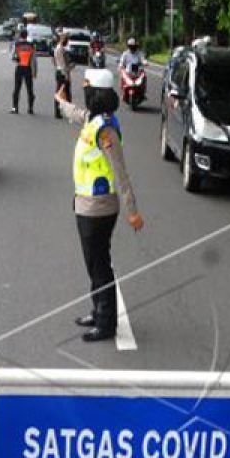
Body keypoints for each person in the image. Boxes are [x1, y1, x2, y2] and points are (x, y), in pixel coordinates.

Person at [55, 69, 144, 342]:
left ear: (96, 93)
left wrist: (133, 211)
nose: (84, 92)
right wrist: (61, 101)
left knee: (100, 264)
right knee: (93, 263)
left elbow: (121, 171)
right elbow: (77, 114)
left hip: (99, 207)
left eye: (87, 88)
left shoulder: (106, 129)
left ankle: (106, 324)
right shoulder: (94, 120)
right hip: (85, 204)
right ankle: (98, 310)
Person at [10, 24, 37, 114]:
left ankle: (15, 108)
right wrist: (34, 72)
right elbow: (34, 59)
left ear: (20, 35)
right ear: (27, 35)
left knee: (17, 89)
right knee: (30, 89)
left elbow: (12, 57)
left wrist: (17, 59)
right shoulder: (31, 45)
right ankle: (30, 109)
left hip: (19, 68)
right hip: (28, 68)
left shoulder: (17, 44)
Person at [52, 30, 73, 119]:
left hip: (59, 71)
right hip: (62, 73)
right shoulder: (61, 49)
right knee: (64, 93)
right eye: (67, 40)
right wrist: (67, 75)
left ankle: (62, 112)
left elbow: (54, 61)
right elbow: (63, 64)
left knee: (62, 93)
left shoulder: (58, 48)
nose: (67, 42)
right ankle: (67, 112)